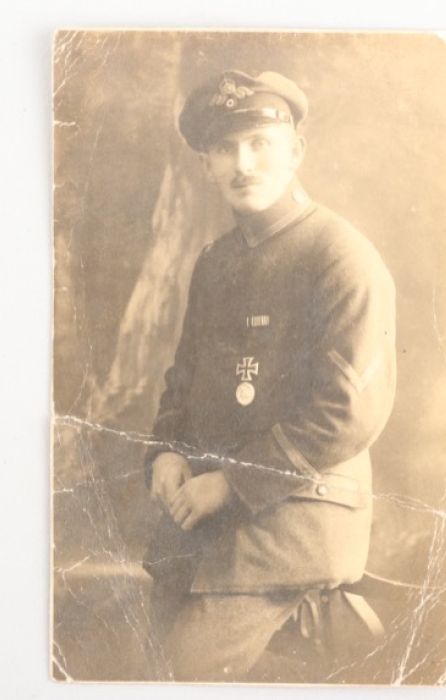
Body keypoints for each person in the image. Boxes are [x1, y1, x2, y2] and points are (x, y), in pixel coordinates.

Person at [142, 69, 397, 682]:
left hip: (294, 516)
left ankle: (319, 609)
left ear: (295, 153)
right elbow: (186, 377)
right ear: (206, 164)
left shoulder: (340, 255)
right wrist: (167, 452)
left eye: (260, 144)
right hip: (219, 513)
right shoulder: (217, 263)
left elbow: (349, 412)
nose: (243, 163)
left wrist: (230, 484)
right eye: (225, 148)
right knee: (140, 631)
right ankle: (320, 620)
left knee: (184, 668)